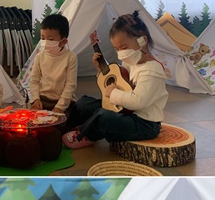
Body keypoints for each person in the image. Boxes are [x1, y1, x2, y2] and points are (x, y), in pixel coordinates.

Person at [62, 11, 167, 149]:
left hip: (144, 123)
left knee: (103, 117)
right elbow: (120, 80)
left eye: (124, 47)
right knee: (84, 103)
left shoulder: (152, 70)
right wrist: (101, 70)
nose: (121, 53)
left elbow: (138, 101)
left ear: (142, 41)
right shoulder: (130, 61)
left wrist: (113, 93)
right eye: (117, 49)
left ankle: (83, 134)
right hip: (125, 110)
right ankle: (67, 126)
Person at [29, 13, 77, 113]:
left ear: (63, 42)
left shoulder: (70, 58)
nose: (45, 42)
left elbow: (70, 85)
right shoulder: (40, 57)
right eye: (43, 38)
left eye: (50, 39)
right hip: (43, 99)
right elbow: (34, 80)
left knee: (65, 120)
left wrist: (60, 106)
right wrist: (36, 99)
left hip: (63, 100)